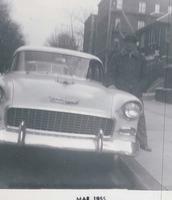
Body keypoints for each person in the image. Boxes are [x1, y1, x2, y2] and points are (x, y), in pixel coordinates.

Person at [107, 35, 151, 152]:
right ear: (124, 44)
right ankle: (113, 138)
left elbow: (145, 77)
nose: (129, 45)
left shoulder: (141, 59)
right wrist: (112, 86)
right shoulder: (117, 57)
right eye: (127, 42)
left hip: (135, 92)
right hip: (119, 92)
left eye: (132, 43)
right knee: (116, 115)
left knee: (140, 116)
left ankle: (143, 142)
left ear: (136, 45)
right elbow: (110, 74)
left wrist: (139, 88)